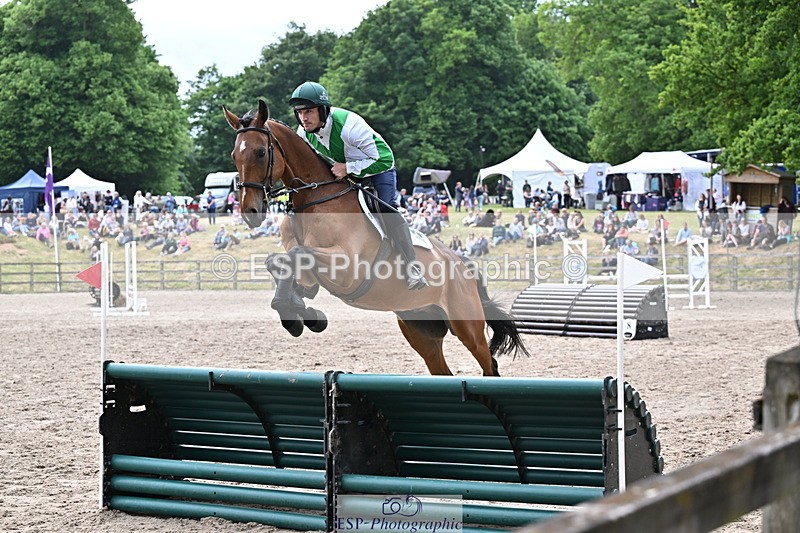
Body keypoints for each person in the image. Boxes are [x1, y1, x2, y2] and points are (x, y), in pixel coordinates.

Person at [289, 81, 427, 290]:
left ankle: (412, 266)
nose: (303, 118)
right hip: (346, 172)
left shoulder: (349, 125)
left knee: (385, 208)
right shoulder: (303, 132)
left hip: (378, 169)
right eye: (299, 112)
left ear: (323, 110)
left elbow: (385, 159)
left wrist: (347, 168)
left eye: (308, 111)